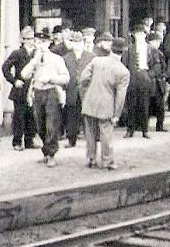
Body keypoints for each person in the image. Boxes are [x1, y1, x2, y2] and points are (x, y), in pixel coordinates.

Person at [79, 37, 131, 170]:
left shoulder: (96, 61)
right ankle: (106, 161)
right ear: (123, 52)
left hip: (89, 102)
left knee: (90, 132)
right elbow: (120, 96)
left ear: (111, 49)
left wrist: (87, 94)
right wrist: (116, 115)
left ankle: (91, 159)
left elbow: (83, 79)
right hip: (106, 106)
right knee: (106, 133)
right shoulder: (123, 71)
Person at [21, 30, 70, 168]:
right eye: (38, 42)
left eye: (43, 42)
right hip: (37, 92)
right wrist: (33, 62)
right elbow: (24, 75)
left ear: (49, 43)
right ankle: (46, 149)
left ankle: (51, 154)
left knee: (51, 124)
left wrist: (51, 79)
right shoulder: (33, 59)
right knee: (39, 124)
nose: (40, 45)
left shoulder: (56, 59)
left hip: (51, 92)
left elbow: (66, 78)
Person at [1, 26, 38, 150]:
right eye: (28, 39)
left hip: (32, 89)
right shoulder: (17, 53)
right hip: (20, 89)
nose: (31, 41)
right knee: (19, 117)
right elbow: (5, 67)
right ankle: (17, 142)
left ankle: (29, 141)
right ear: (23, 40)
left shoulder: (37, 53)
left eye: (32, 38)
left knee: (31, 116)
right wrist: (14, 81)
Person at [62, 31, 95, 147]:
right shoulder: (66, 58)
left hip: (86, 91)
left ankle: (91, 140)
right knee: (71, 116)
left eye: (79, 41)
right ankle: (72, 140)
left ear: (83, 43)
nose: (77, 44)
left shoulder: (91, 57)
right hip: (71, 91)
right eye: (74, 42)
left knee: (88, 116)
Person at [122, 24, 151, 138]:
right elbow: (124, 65)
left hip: (145, 77)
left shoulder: (150, 49)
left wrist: (149, 75)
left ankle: (145, 130)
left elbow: (156, 65)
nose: (139, 36)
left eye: (141, 34)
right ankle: (130, 129)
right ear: (134, 36)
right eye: (137, 34)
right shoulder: (129, 49)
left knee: (144, 105)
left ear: (145, 35)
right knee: (132, 105)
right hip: (132, 79)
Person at [146, 31, 168, 132]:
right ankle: (144, 126)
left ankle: (160, 125)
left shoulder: (159, 53)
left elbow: (163, 67)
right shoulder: (147, 52)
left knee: (160, 106)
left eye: (158, 41)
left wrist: (164, 76)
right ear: (150, 42)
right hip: (151, 81)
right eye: (155, 41)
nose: (157, 43)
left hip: (159, 82)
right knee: (148, 105)